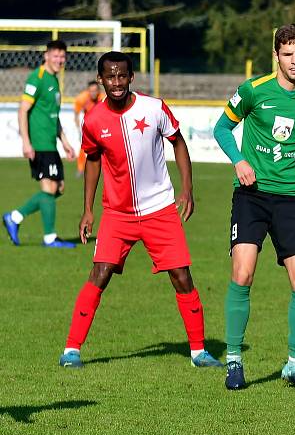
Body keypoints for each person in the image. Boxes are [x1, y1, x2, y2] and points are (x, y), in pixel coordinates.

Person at [59, 51, 222, 369]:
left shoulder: (154, 108)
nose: (116, 82)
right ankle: (71, 350)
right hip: (117, 214)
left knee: (182, 276)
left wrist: (187, 188)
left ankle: (199, 352)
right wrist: (88, 210)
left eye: (122, 76)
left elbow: (178, 142)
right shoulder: (93, 120)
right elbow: (92, 161)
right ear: (101, 79)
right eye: (110, 76)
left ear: (131, 77)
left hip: (160, 209)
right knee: (100, 274)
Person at [213, 24, 295, 391]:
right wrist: (238, 160)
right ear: (276, 56)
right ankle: (234, 361)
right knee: (243, 273)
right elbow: (220, 129)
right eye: (288, 54)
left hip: (292, 199)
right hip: (251, 195)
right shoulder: (253, 90)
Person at [3, 40, 76, 248]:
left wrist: (65, 141)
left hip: (51, 143)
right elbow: (23, 110)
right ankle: (50, 237)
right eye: (55, 55)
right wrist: (26, 142)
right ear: (46, 56)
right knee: (50, 187)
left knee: (57, 188)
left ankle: (14, 217)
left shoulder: (53, 80)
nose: (59, 60)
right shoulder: (38, 77)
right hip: (40, 143)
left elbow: (54, 116)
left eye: (62, 56)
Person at [74, 80, 105, 176]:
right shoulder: (81, 98)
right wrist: (78, 128)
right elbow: (76, 114)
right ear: (88, 91)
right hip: (88, 127)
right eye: (91, 91)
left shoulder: (104, 98)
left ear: (99, 90)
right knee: (84, 148)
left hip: (101, 127)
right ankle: (80, 169)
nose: (93, 93)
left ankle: (105, 169)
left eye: (95, 90)